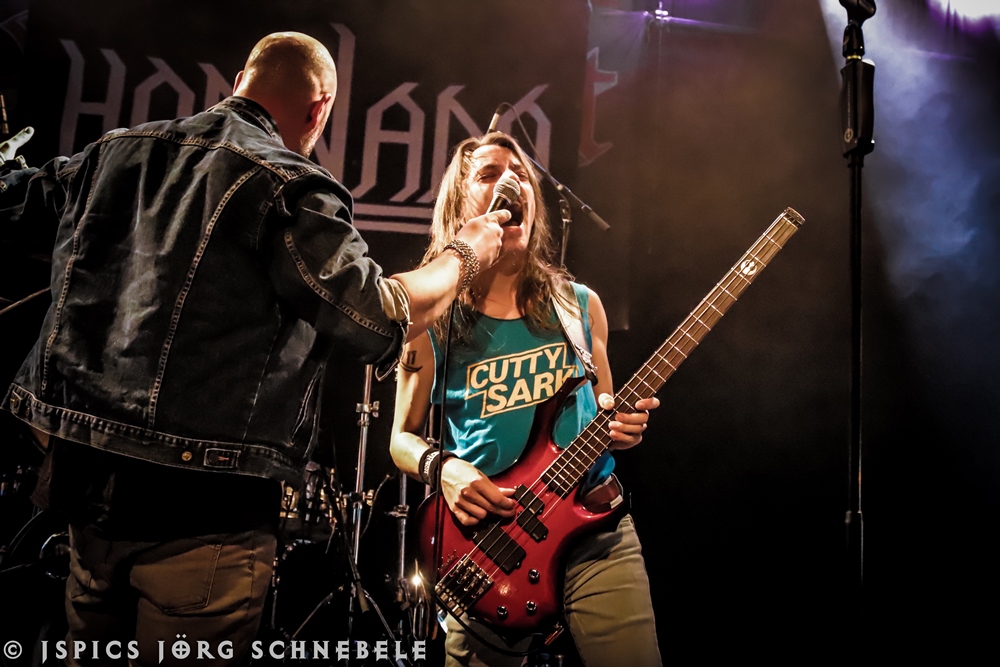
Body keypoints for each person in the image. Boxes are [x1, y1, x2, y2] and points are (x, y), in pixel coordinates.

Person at [0, 32, 505, 666]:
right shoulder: (288, 184)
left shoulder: (112, 152)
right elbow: (377, 315)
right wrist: (464, 254)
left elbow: (10, 204)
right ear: (319, 109)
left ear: (240, 80)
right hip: (206, 516)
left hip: (86, 498)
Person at [389, 132, 663, 667]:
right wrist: (444, 469)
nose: (510, 181)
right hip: (489, 544)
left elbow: (606, 412)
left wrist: (624, 427)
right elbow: (400, 438)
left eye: (519, 174)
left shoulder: (579, 305)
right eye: (489, 174)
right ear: (460, 208)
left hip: (595, 534)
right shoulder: (432, 321)